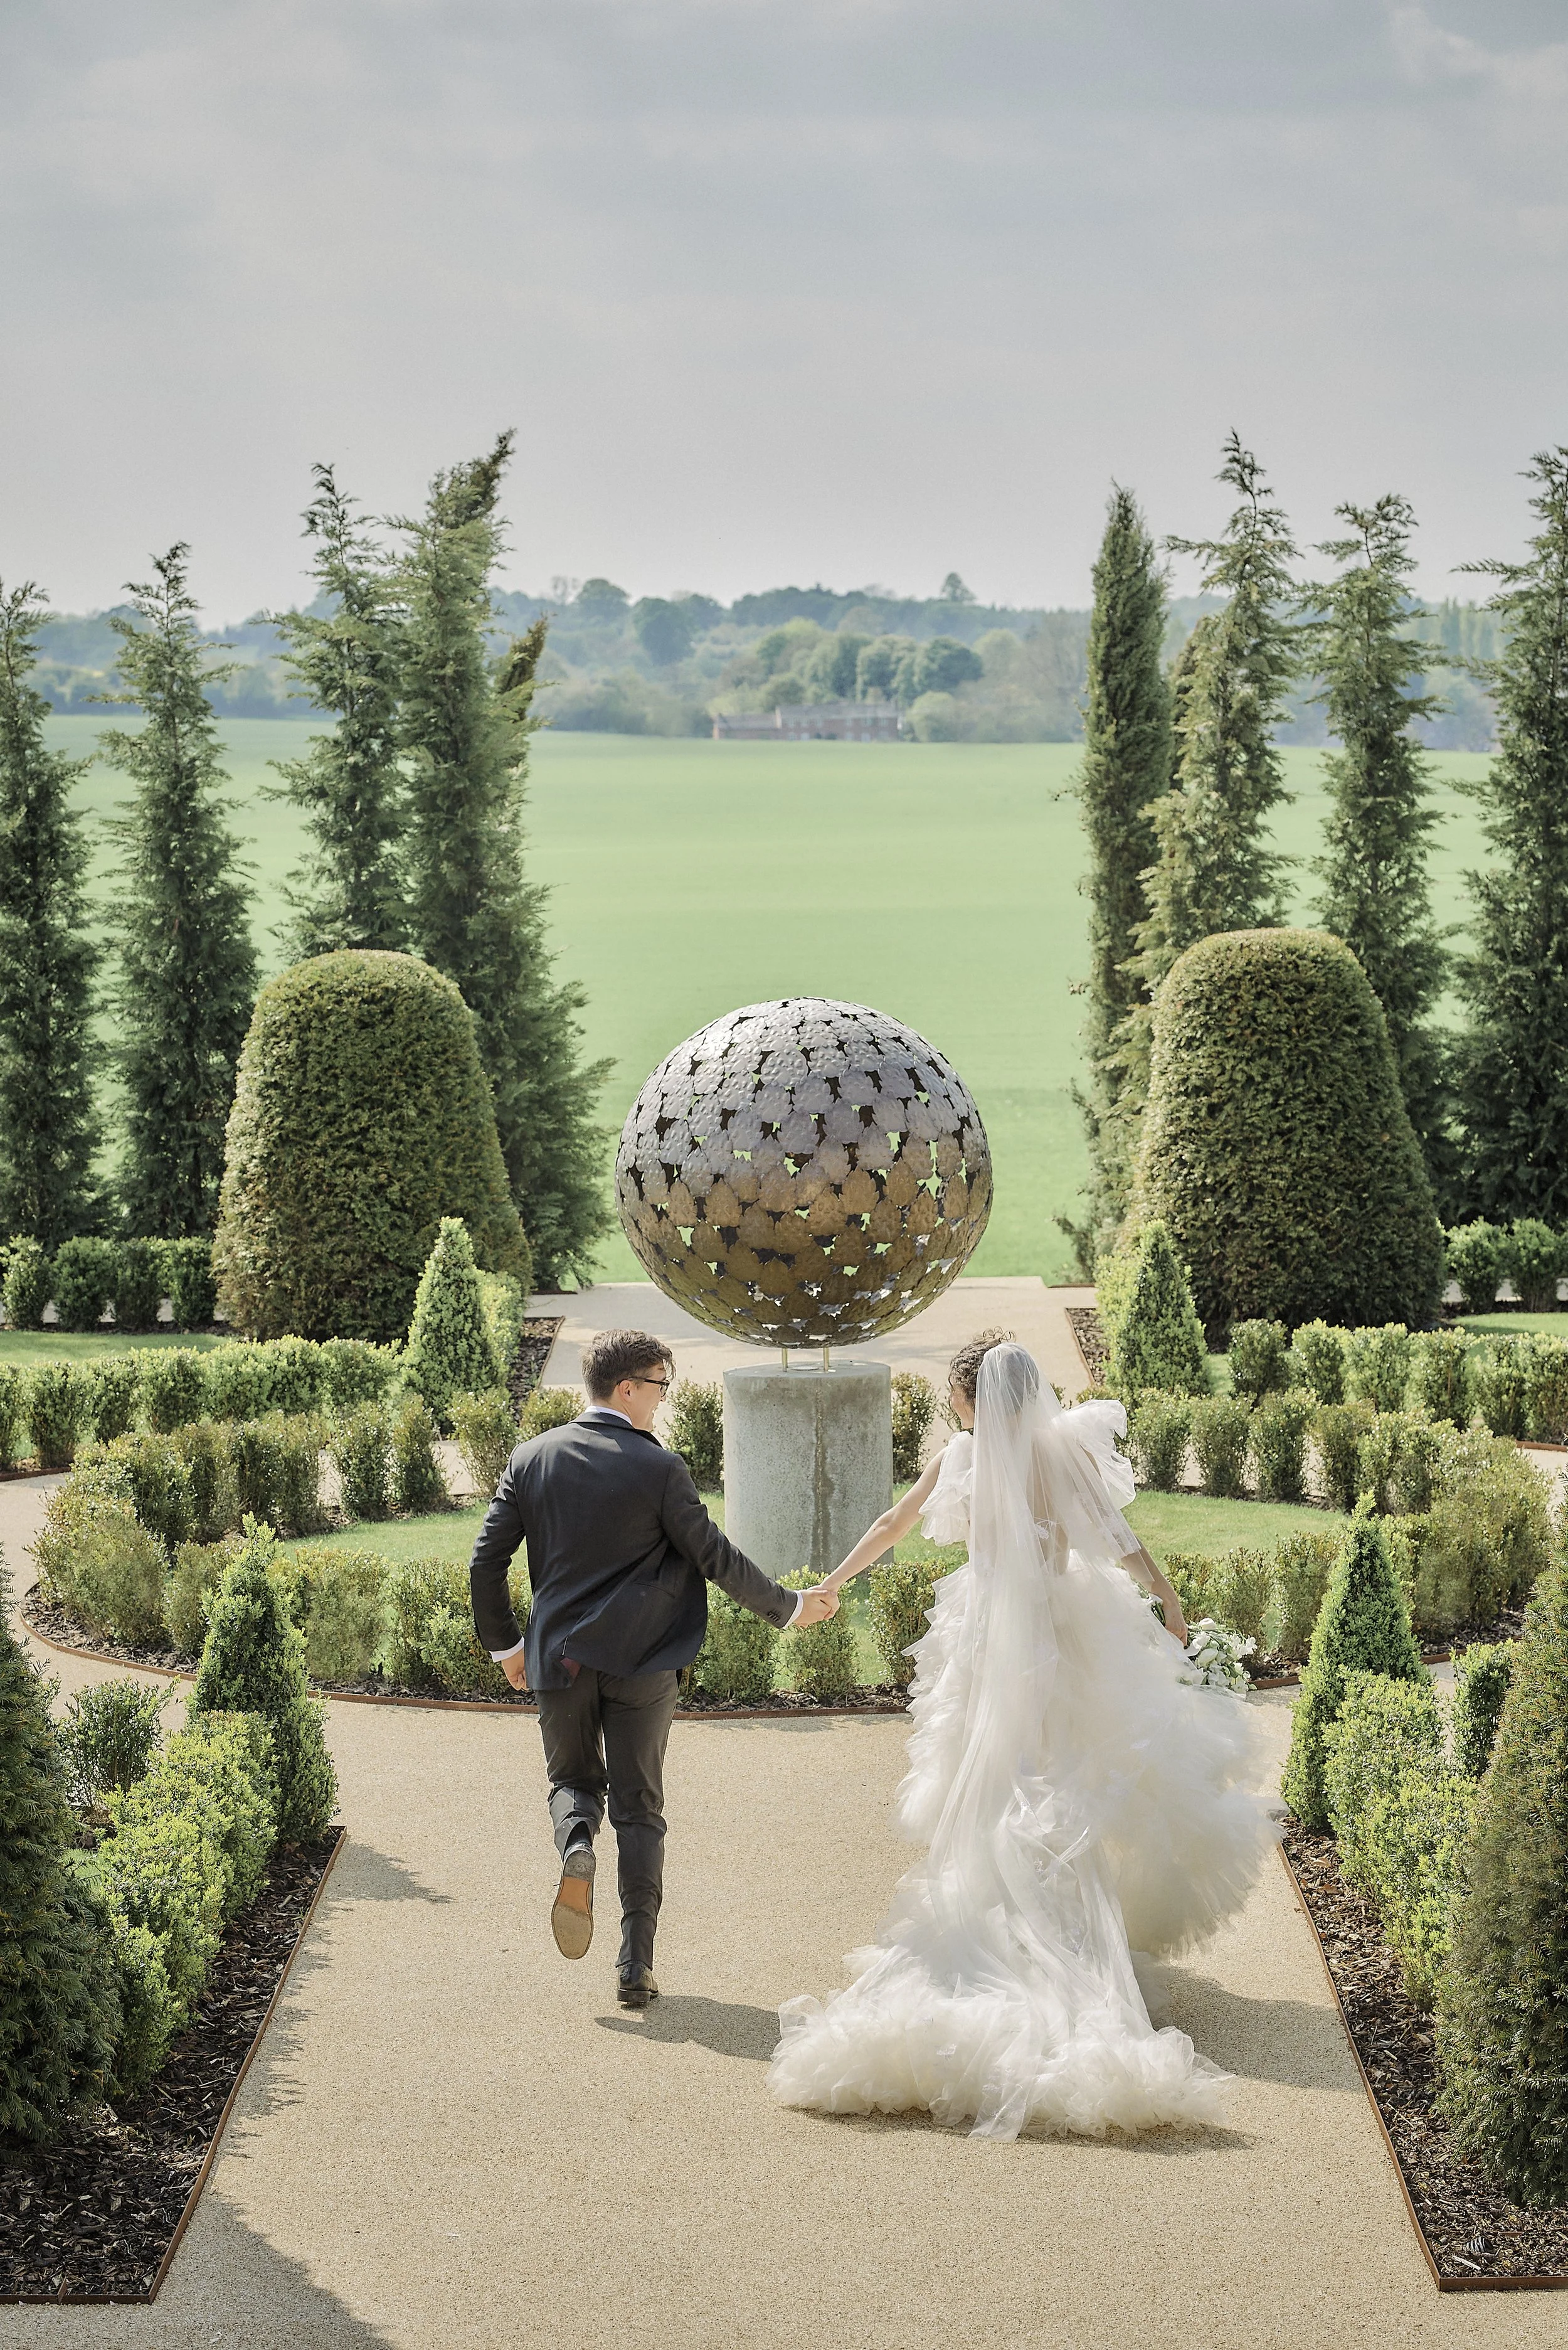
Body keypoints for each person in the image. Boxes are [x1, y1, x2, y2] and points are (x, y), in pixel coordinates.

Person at [766, 1331, 1277, 2137]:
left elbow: (893, 1520)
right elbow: (1120, 1538)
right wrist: (1170, 1603)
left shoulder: (964, 1456)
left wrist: (830, 1583)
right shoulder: (1061, 1450)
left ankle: (992, 1932)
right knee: (1060, 1781)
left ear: (969, 1396)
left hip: (985, 1639)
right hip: (1062, 1629)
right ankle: (1069, 1948)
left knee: (995, 1781)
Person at [469, 1328, 839, 2009]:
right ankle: (634, 1964)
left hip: (559, 1660)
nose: (662, 1400)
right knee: (641, 1809)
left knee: (571, 1782)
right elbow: (715, 1556)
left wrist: (506, 1646)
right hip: (643, 1665)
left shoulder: (532, 1458)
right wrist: (789, 1608)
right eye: (658, 1386)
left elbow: (484, 1562)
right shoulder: (659, 1468)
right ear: (627, 1389)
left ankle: (577, 1839)